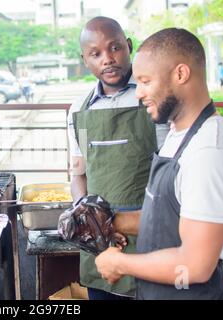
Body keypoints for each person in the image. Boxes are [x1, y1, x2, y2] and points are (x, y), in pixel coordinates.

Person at [95, 28, 223, 300]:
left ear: (180, 74)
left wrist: (119, 263)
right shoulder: (178, 134)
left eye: (145, 81)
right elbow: (167, 217)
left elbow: (196, 265)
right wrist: (111, 222)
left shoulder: (208, 152)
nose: (139, 93)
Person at [67, 16, 169, 300]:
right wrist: (91, 223)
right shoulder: (79, 111)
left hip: (152, 233)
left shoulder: (153, 99)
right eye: (95, 54)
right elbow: (78, 173)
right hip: (100, 244)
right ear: (85, 60)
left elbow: (172, 171)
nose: (107, 59)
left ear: (129, 46)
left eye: (115, 48)